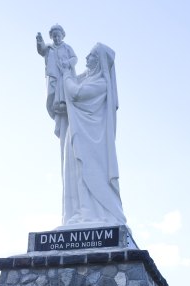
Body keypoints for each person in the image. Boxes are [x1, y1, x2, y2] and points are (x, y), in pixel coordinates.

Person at [60, 43, 126, 226]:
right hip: (78, 133)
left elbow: (76, 94)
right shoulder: (86, 79)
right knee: (76, 174)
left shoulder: (101, 83)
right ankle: (81, 212)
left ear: (98, 61)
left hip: (91, 140)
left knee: (87, 172)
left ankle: (92, 214)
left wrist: (66, 74)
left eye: (90, 56)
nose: (86, 58)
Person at [36, 25, 77, 142]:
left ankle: (63, 103)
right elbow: (42, 50)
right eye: (54, 36)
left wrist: (68, 63)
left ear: (62, 36)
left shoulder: (67, 47)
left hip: (65, 74)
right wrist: (39, 41)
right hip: (54, 76)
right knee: (54, 92)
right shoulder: (50, 48)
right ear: (51, 37)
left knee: (64, 89)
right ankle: (56, 104)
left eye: (58, 36)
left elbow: (74, 58)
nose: (56, 38)